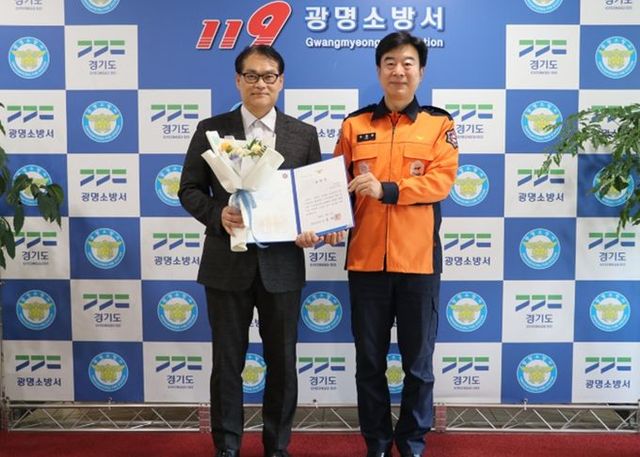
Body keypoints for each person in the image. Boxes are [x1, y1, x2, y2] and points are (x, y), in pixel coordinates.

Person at [179, 45, 341, 457]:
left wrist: (311, 229)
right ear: (238, 81)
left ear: (281, 81)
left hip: (282, 265)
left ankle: (277, 446)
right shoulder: (212, 130)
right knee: (227, 362)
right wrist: (218, 214)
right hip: (225, 263)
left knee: (282, 362)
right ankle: (227, 446)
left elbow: (313, 199)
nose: (260, 84)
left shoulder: (303, 134)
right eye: (251, 76)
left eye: (269, 76)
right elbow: (189, 189)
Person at [333, 32, 459, 457]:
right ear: (378, 70)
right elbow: (333, 189)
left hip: (418, 263)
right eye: (390, 62)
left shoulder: (439, 124)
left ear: (421, 71)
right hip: (366, 262)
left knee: (418, 366)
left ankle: (412, 443)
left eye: (407, 63)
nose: (398, 71)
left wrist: (387, 189)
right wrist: (323, 220)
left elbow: (440, 182)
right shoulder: (354, 125)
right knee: (369, 364)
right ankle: (377, 443)